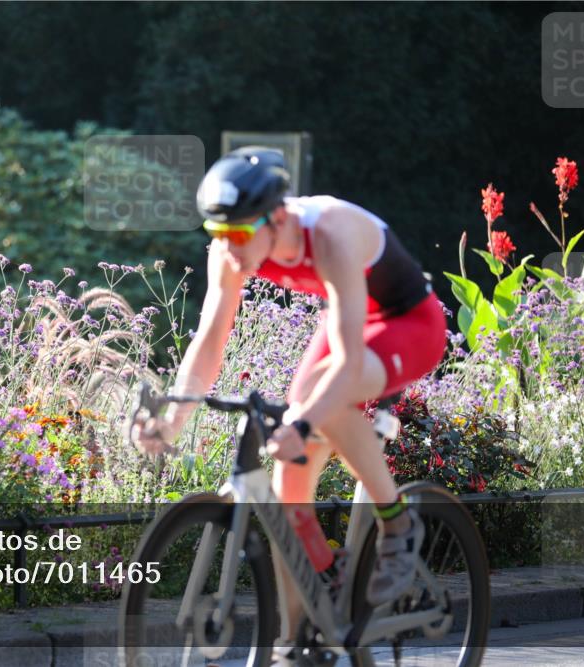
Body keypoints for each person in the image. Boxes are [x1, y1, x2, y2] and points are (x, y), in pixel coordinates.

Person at [131, 146, 447, 665]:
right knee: (286, 485)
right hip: (351, 325)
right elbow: (210, 342)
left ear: (276, 217)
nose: (229, 250)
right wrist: (171, 421)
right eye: (218, 236)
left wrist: (302, 421)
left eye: (238, 235)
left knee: (318, 395)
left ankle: (398, 521)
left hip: (408, 324)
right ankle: (298, 639)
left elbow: (345, 365)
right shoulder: (232, 248)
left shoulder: (328, 234)